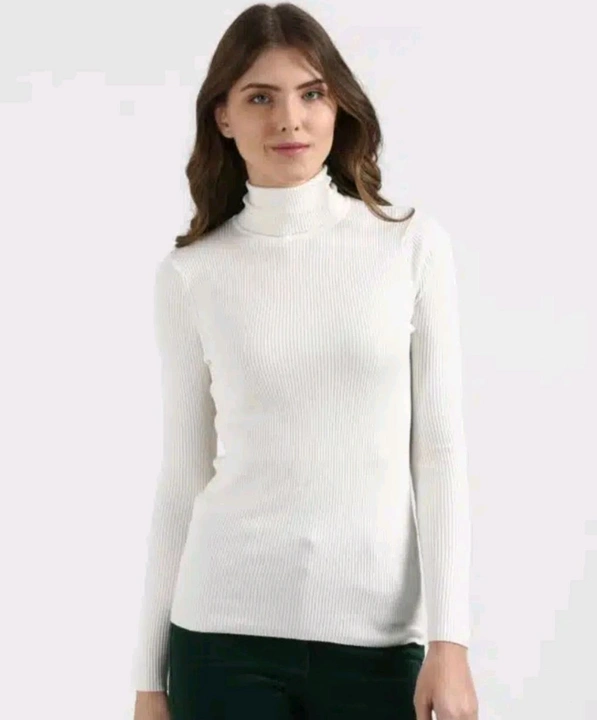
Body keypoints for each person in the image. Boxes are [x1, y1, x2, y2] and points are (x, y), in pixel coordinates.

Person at [131, 3, 479, 719]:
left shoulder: (411, 247)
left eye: (311, 93)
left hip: (379, 645)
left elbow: (439, 453)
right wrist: (147, 680)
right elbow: (182, 480)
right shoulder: (192, 275)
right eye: (261, 98)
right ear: (224, 117)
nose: (290, 119)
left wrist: (451, 641)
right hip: (221, 640)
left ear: (337, 105)